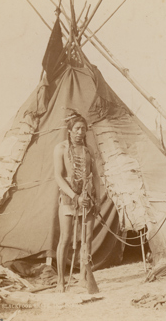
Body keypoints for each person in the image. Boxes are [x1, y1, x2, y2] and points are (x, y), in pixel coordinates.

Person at [53, 111, 100, 293]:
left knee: (87, 239)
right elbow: (58, 176)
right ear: (70, 130)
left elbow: (95, 175)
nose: (81, 132)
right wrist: (74, 196)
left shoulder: (88, 151)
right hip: (68, 198)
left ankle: (83, 277)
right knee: (65, 239)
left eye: (83, 129)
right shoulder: (61, 148)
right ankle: (60, 282)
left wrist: (97, 198)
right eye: (77, 128)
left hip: (87, 198)